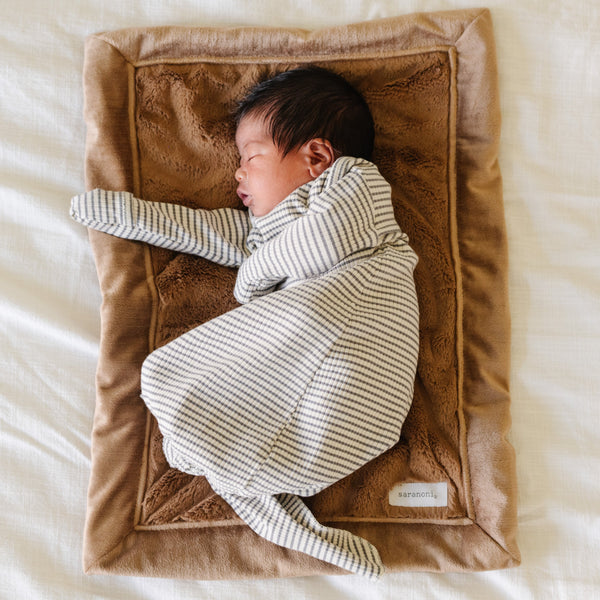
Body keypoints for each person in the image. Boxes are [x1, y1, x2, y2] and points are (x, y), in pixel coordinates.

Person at [70, 67, 420, 579]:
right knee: (233, 444)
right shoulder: (266, 234)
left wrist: (256, 275)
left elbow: (319, 246)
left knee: (185, 367)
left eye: (251, 157)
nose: (238, 174)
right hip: (332, 416)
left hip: (358, 330)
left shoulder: (354, 186)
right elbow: (202, 231)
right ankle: (289, 523)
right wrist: (121, 213)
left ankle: (243, 471)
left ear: (316, 157)